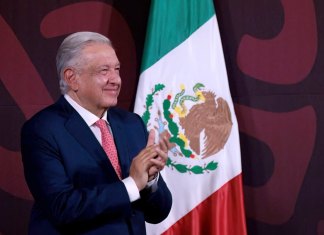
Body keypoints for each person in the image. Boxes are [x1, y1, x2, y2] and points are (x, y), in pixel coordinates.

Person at [21, 31, 172, 235]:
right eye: (104, 71)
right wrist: (132, 184)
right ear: (71, 78)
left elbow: (158, 213)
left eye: (117, 69)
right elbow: (62, 208)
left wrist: (150, 181)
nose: (116, 80)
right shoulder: (42, 129)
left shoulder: (131, 124)